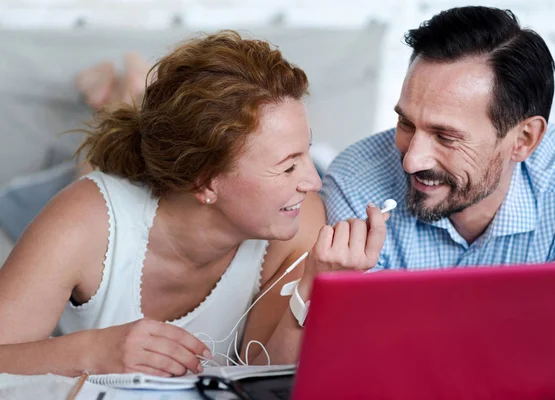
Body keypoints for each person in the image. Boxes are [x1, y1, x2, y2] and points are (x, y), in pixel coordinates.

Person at [0, 31, 388, 377]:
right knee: (74, 164)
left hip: (181, 176)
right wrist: (91, 350)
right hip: (115, 194)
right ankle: (117, 92)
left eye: (305, 154)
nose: (314, 182)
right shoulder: (84, 221)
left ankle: (130, 90)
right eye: (289, 167)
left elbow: (262, 378)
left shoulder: (299, 222)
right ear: (204, 181)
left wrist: (313, 292)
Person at [321, 6, 555, 352]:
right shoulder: (357, 179)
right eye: (406, 123)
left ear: (523, 139)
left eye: (446, 137)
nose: (411, 160)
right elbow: (360, 355)